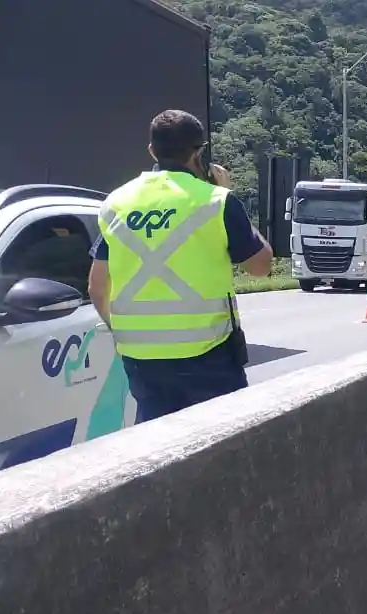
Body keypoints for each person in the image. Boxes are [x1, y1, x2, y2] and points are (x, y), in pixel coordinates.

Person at [88, 109, 273, 423]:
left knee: (158, 443)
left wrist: (124, 333)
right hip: (209, 354)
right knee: (222, 439)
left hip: (141, 358)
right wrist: (228, 196)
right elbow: (261, 266)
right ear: (198, 152)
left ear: (152, 150)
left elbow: (97, 287)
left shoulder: (116, 203)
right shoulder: (215, 200)